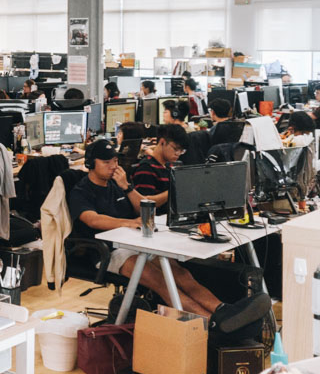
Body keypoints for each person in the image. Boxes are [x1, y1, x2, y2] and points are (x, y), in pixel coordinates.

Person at [68, 139, 271, 328]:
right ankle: (213, 324)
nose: (113, 166)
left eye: (115, 161)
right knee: (161, 281)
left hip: (137, 242)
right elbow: (92, 219)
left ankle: (223, 311)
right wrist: (129, 223)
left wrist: (127, 187)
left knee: (181, 274)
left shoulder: (117, 184)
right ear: (90, 163)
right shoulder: (81, 191)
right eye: (106, 162)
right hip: (110, 250)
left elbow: (142, 208)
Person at [131, 124, 189, 206]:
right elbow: (144, 204)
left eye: (181, 151)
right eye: (176, 149)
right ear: (162, 142)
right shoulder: (146, 168)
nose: (178, 154)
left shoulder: (169, 166)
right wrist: (173, 191)